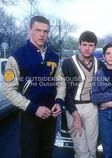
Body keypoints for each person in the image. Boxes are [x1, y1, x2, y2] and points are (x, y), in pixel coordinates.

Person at [3, 16, 65, 158]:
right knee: (30, 153)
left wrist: (59, 101)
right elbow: (8, 90)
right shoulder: (17, 57)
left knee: (47, 153)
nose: (42, 34)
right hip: (29, 116)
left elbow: (61, 82)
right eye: (38, 30)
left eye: (46, 31)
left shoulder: (54, 57)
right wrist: (33, 108)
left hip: (50, 115)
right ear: (29, 30)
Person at [61, 31, 105, 158]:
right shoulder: (68, 63)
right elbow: (65, 92)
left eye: (91, 45)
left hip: (93, 107)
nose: (87, 48)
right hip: (74, 108)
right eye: (84, 44)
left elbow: (103, 88)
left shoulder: (100, 64)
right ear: (79, 45)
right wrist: (75, 115)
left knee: (92, 148)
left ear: (95, 47)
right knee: (81, 150)